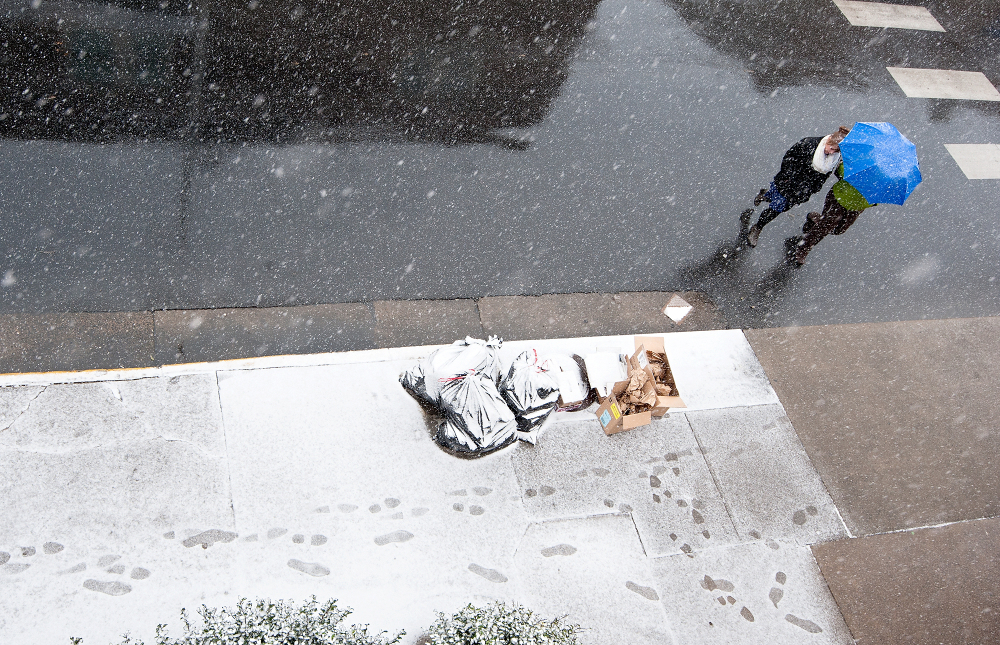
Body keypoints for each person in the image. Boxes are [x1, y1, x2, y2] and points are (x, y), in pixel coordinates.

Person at [745, 126, 851, 247]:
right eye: (831, 148)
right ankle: (757, 227)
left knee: (779, 204)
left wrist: (815, 188)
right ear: (829, 141)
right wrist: (788, 177)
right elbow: (789, 157)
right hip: (788, 184)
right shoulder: (809, 144)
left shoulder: (833, 158)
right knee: (776, 208)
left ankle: (765, 195)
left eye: (835, 151)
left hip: (801, 191)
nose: (831, 152)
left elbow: (825, 175)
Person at [789, 162, 877, 266]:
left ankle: (815, 218)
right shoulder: (865, 161)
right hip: (839, 198)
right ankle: (802, 248)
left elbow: (879, 196)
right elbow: (840, 170)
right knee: (826, 226)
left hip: (857, 207)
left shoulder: (886, 177)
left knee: (838, 230)